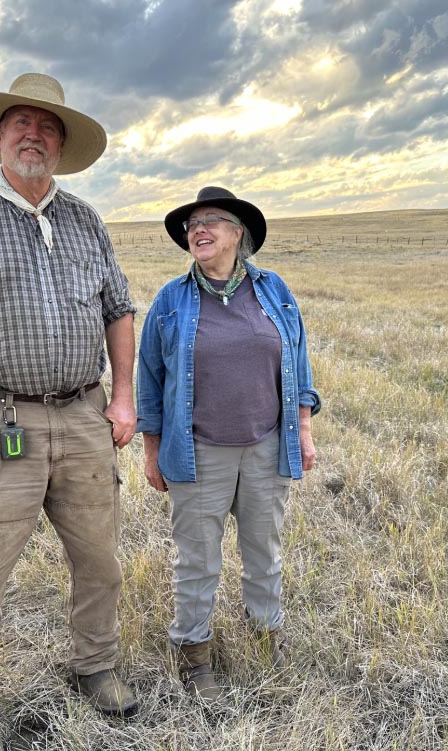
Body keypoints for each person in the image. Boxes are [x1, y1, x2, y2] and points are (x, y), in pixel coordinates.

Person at [0, 73, 137, 750]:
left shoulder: (84, 221)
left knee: (100, 560)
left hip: (83, 418)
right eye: (21, 123)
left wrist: (123, 396)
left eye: (47, 126)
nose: (33, 134)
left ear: (61, 144)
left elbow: (119, 309)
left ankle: (94, 666)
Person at [136, 186, 321, 701]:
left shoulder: (275, 290)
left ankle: (266, 641)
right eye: (193, 223)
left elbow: (300, 363)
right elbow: (149, 381)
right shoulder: (171, 301)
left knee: (265, 551)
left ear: (238, 234)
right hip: (197, 453)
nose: (199, 228)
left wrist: (304, 429)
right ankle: (193, 655)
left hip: (267, 447)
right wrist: (152, 453)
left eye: (212, 220)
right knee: (197, 559)